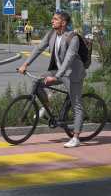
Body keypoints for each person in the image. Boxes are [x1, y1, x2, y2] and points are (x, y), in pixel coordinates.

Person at [18, 10, 87, 148]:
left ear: (63, 22)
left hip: (73, 73)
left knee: (76, 104)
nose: (52, 21)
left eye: (55, 19)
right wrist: (25, 64)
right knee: (37, 81)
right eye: (53, 18)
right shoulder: (51, 34)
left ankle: (76, 137)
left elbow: (68, 60)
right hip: (59, 70)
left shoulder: (72, 38)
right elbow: (38, 48)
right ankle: (46, 105)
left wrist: (54, 77)